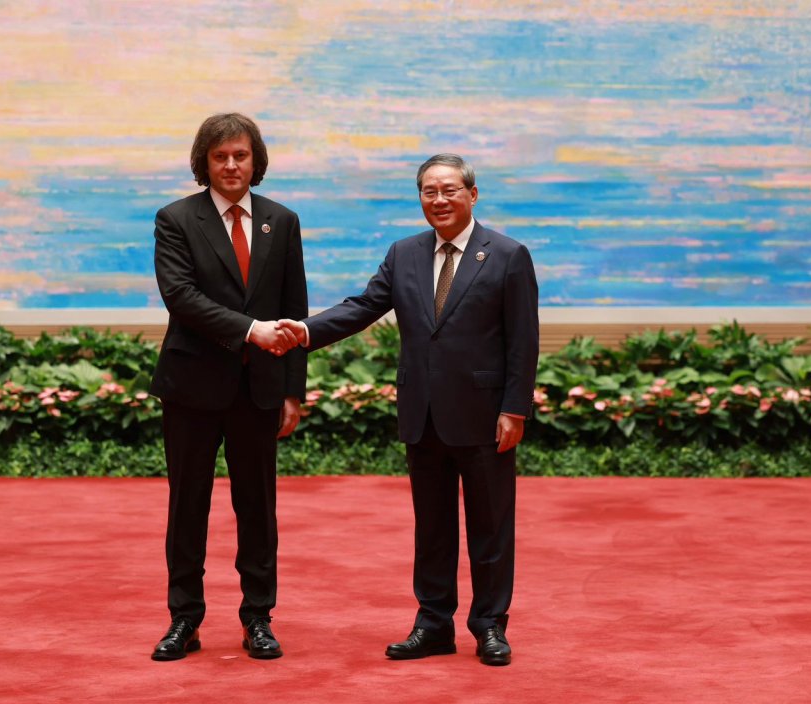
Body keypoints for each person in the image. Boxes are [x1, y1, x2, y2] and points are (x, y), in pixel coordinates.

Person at [278, 153, 539, 666]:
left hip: (484, 415)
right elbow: (363, 307)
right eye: (428, 191)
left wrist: (515, 408)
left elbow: (523, 340)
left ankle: (490, 626)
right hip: (423, 414)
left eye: (449, 190)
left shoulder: (508, 255)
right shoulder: (404, 253)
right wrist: (305, 331)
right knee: (432, 528)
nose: (439, 200)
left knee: (490, 529)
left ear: (472, 194)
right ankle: (434, 624)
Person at [148, 112, 306, 661]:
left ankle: (258, 618)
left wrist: (293, 391)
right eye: (220, 157)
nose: (232, 165)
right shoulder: (176, 219)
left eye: (241, 155)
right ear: (205, 163)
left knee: (258, 508)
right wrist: (249, 330)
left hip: (259, 389)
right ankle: (184, 620)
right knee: (187, 507)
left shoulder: (282, 221)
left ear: (255, 160)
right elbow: (180, 297)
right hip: (191, 388)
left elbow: (294, 307)